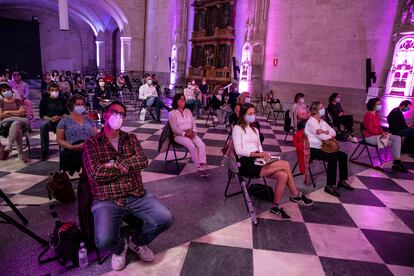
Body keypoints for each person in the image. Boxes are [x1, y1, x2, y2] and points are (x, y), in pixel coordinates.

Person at [82, 101, 173, 271]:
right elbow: (95, 174)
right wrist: (126, 167)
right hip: (108, 199)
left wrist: (113, 163)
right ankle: (120, 247)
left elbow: (142, 161)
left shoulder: (130, 138)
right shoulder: (91, 143)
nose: (119, 116)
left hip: (136, 194)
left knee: (165, 218)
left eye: (122, 114)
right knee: (103, 240)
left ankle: (137, 242)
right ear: (106, 114)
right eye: (115, 112)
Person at [233, 103, 313, 219]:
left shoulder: (255, 129)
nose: (253, 116)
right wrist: (259, 154)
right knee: (285, 164)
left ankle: (275, 207)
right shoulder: (237, 128)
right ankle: (296, 195)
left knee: (283, 175)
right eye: (250, 114)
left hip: (258, 159)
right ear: (243, 115)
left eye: (254, 113)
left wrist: (264, 156)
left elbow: (259, 147)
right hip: (246, 163)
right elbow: (239, 151)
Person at [305, 101, 353, 197]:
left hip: (325, 147)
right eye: (321, 108)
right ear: (316, 110)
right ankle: (329, 186)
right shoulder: (311, 122)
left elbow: (333, 132)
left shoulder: (322, 121)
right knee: (332, 159)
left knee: (343, 155)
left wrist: (327, 133)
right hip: (314, 149)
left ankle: (342, 180)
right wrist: (328, 135)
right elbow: (322, 137)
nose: (324, 110)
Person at [56, 95, 98, 175]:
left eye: (82, 105)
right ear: (72, 106)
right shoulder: (64, 121)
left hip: (89, 147)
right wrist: (71, 147)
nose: (81, 106)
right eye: (78, 104)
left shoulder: (89, 120)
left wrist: (87, 144)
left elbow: (96, 136)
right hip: (72, 147)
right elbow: (59, 139)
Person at [169, 93, 208, 176]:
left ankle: (202, 164)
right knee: (192, 146)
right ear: (176, 101)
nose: (183, 101)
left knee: (201, 145)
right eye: (181, 100)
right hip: (179, 135)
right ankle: (198, 167)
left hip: (190, 133)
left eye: (184, 99)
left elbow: (193, 123)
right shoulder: (172, 113)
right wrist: (185, 134)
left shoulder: (188, 111)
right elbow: (174, 129)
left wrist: (193, 132)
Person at [363, 97, 407, 172]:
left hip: (378, 135)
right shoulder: (368, 115)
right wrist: (380, 134)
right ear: (373, 105)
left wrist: (383, 132)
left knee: (397, 138)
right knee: (394, 143)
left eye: (380, 104)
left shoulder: (376, 114)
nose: (380, 105)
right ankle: (396, 163)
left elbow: (378, 126)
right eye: (378, 104)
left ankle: (397, 162)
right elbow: (369, 129)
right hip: (370, 137)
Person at [0, 83, 29, 162]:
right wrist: (16, 113)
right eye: (4, 91)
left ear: (11, 90)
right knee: (17, 125)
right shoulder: (1, 102)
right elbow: (0, 115)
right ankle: (20, 154)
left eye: (7, 90)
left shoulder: (18, 101)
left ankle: (10, 145)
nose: (6, 91)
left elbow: (22, 113)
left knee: (16, 123)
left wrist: (8, 112)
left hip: (17, 123)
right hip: (6, 126)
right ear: (1, 93)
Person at [39, 83, 69, 160]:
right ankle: (44, 151)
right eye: (52, 90)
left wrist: (60, 117)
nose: (55, 92)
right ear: (48, 91)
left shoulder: (63, 99)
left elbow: (67, 113)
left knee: (65, 126)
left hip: (61, 120)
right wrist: (51, 119)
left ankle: (64, 150)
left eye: (56, 90)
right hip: (50, 120)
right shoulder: (44, 100)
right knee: (43, 126)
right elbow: (42, 115)